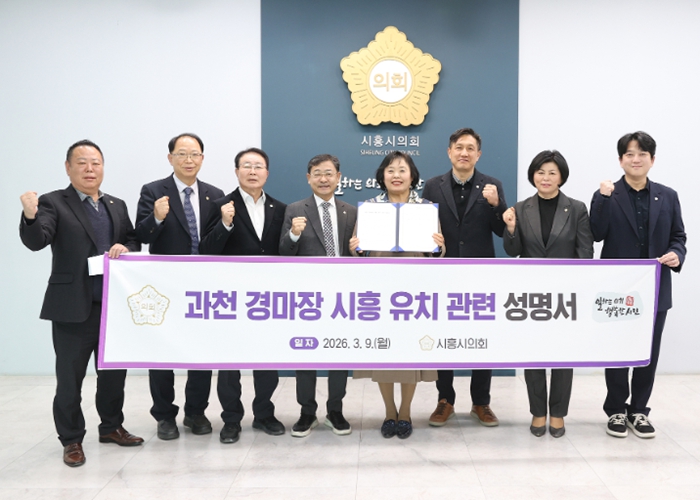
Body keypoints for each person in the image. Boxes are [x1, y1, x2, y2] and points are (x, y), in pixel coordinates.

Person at [19, 140, 144, 467]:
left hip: (112, 308)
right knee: (70, 380)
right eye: (82, 162)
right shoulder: (53, 202)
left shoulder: (116, 204)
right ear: (68, 167)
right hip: (72, 308)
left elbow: (132, 239)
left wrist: (125, 247)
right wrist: (30, 216)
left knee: (113, 376)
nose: (90, 169)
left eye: (96, 163)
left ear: (103, 167)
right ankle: (71, 439)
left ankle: (111, 427)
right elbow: (38, 240)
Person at [590, 131, 686, 439]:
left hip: (655, 287)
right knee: (617, 349)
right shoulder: (608, 193)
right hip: (618, 289)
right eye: (630, 154)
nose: (636, 159)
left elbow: (678, 236)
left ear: (652, 160)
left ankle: (640, 410)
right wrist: (602, 198)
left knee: (649, 351)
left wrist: (677, 253)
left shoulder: (667, 196)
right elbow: (596, 233)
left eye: (642, 154)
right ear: (620, 160)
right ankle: (616, 409)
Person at [135, 133, 224, 441]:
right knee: (162, 352)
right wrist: (157, 218)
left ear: (202, 159)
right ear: (170, 157)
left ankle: (196, 412)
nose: (189, 160)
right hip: (165, 286)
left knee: (201, 352)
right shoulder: (153, 191)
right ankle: (164, 415)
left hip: (202, 286)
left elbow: (216, 242)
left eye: (195, 154)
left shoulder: (214, 194)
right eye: (182, 154)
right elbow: (141, 236)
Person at [350, 151, 445, 439]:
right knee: (384, 353)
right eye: (390, 170)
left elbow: (438, 254)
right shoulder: (370, 208)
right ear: (382, 176)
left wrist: (439, 246)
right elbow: (359, 252)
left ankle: (405, 412)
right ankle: (389, 411)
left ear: (412, 176)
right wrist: (356, 249)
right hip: (379, 292)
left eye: (402, 170)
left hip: (415, 292)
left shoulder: (425, 209)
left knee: (409, 353)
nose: (396, 175)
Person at [502, 150, 593, 438]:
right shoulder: (521, 208)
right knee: (534, 354)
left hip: (565, 296)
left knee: (563, 356)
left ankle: (558, 413)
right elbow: (513, 251)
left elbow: (585, 253)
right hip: (531, 295)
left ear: (561, 177)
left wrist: (578, 290)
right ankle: (538, 412)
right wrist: (511, 228)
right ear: (533, 176)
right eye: (540, 172)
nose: (546, 178)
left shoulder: (576, 209)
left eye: (552, 172)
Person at [199, 147, 287, 443]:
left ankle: (264, 414)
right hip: (232, 298)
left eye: (258, 166)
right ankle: (231, 419)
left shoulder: (279, 208)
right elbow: (206, 250)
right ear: (236, 171)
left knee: (267, 361)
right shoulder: (221, 205)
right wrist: (225, 223)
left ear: (267, 173)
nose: (252, 171)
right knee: (229, 364)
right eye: (246, 166)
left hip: (267, 298)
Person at [421, 128, 508, 428]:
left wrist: (496, 205)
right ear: (449, 152)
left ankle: (481, 402)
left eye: (470, 148)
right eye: (459, 147)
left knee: (482, 338)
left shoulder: (492, 185)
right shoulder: (432, 186)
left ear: (478, 154)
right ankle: (445, 399)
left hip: (480, 275)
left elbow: (502, 230)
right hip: (442, 274)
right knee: (443, 337)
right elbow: (424, 229)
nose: (464, 153)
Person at [279, 154, 357, 438]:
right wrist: (294, 235)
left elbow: (358, 256)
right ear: (308, 178)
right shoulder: (294, 209)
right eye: (317, 174)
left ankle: (335, 410)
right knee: (306, 353)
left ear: (338, 178)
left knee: (339, 353)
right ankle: (307, 412)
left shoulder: (351, 212)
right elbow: (283, 253)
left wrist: (358, 251)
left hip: (341, 297)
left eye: (329, 173)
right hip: (308, 297)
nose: (323, 179)